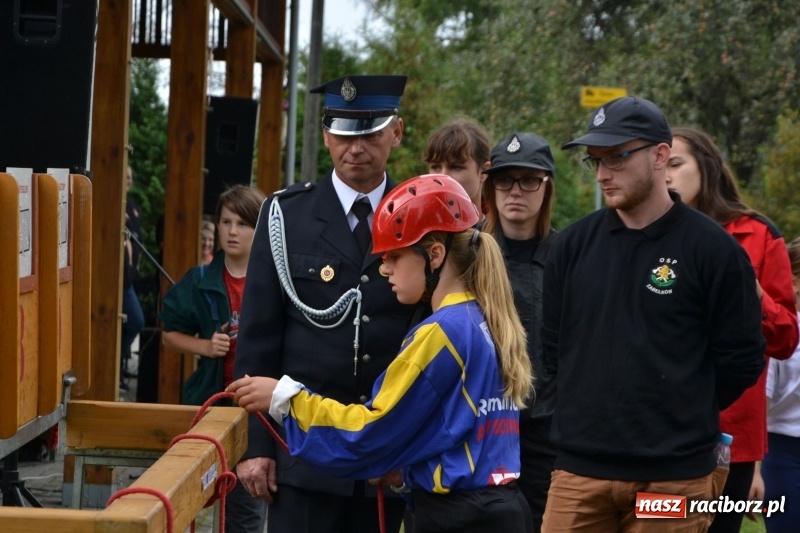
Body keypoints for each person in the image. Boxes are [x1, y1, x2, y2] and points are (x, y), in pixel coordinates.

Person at [228, 174, 535, 533]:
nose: (384, 269)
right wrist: (405, 470)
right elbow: (457, 432)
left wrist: (284, 399)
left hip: (459, 517)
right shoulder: (481, 319)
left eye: (394, 255)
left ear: (434, 255)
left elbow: (367, 433)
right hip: (499, 510)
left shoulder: (441, 333)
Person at [541, 96, 766, 532]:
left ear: (661, 155)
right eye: (596, 161)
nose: (604, 173)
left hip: (673, 481)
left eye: (617, 157)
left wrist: (679, 407)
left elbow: (742, 360)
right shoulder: (571, 246)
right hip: (579, 475)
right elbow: (553, 351)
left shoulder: (713, 250)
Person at [233, 75, 414, 533]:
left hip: (386, 455)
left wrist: (413, 448)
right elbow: (257, 342)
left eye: (370, 133)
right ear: (327, 136)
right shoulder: (285, 217)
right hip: (303, 454)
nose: (356, 148)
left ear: (396, 132)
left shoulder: (417, 215)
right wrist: (257, 447)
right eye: (344, 134)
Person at [666, 126, 798, 533]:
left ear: (706, 167)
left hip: (731, 435)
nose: (665, 175)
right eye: (660, 166)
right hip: (660, 429)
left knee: (718, 527)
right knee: (661, 522)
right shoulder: (647, 233)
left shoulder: (757, 234)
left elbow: (785, 337)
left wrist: (751, 291)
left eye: (675, 163)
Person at [158, 184, 266, 533]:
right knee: (192, 501)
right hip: (210, 406)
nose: (232, 232)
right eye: (225, 222)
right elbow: (168, 332)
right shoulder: (201, 279)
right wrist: (205, 347)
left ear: (260, 227)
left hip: (259, 414)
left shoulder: (277, 280)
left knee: (246, 511)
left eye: (243, 223)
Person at [481, 131, 558, 532]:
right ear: (490, 187)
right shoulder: (468, 258)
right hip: (483, 436)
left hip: (548, 438)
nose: (516, 191)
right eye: (505, 180)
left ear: (547, 188)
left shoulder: (569, 257)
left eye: (529, 180)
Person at [762, 236, 800, 533]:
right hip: (782, 450)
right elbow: (759, 405)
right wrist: (750, 472)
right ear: (795, 281)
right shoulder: (782, 333)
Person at [423, 119, 491, 214]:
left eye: (455, 167)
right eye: (436, 167)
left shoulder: (504, 227)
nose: (443, 177)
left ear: (484, 171)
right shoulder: (413, 226)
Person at [121, 165, 145, 391]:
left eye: (130, 176)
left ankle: (119, 366)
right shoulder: (116, 204)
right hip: (119, 280)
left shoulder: (133, 205)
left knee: (131, 320)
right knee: (136, 320)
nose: (127, 180)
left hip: (131, 276)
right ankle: (116, 367)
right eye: (124, 176)